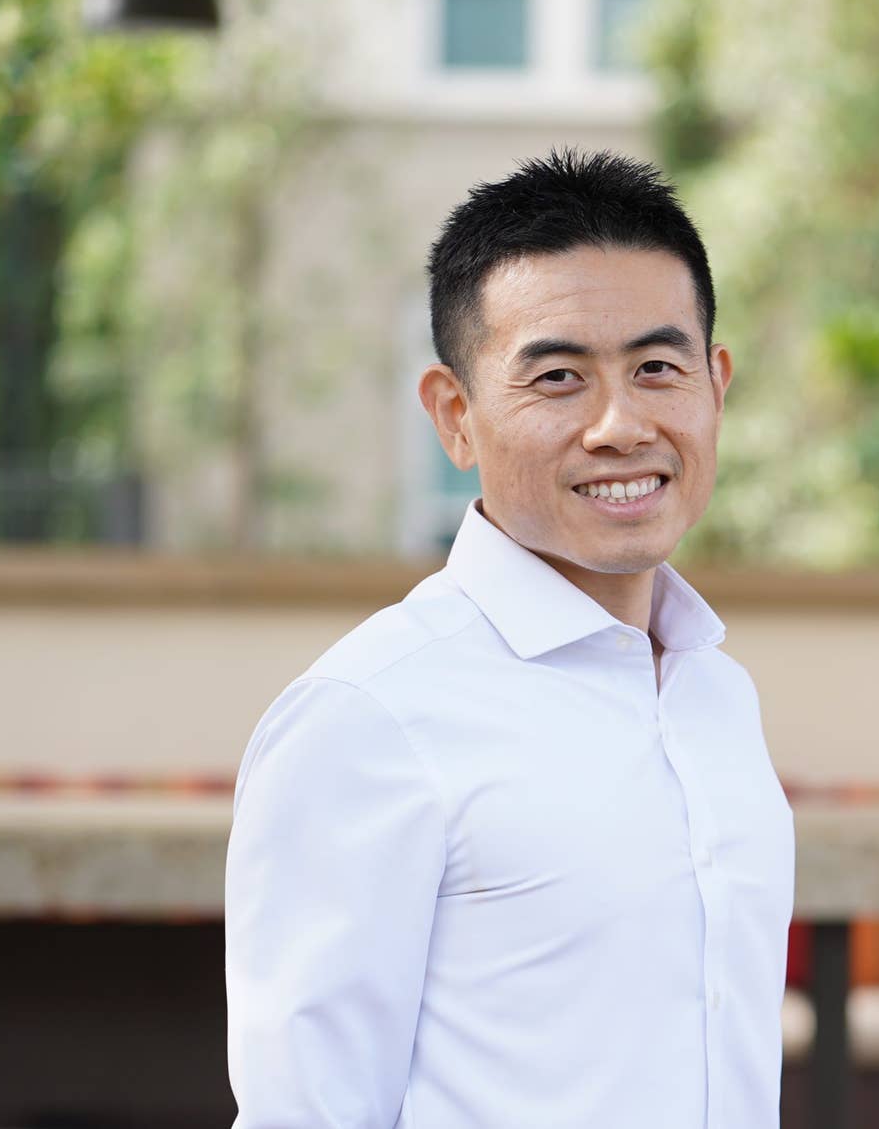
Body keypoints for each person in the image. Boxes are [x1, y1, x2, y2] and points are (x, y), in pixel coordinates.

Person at [224, 147, 796, 1129]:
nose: (621, 425)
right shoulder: (372, 716)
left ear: (716, 385)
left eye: (658, 368)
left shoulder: (716, 691)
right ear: (456, 416)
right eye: (559, 377)